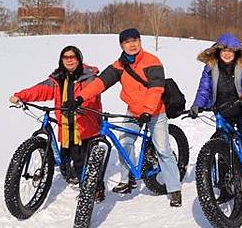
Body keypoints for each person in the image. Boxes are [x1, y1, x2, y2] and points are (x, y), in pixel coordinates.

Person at [67, 28, 182, 207]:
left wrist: (147, 111)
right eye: (127, 42)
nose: (132, 44)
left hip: (155, 111)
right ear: (122, 45)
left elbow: (156, 89)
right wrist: (80, 98)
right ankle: (127, 179)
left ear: (140, 41)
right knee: (124, 143)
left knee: (163, 149)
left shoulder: (152, 61)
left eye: (135, 40)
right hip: (133, 111)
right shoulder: (119, 65)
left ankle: (174, 189)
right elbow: (100, 82)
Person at [9, 46, 104, 201]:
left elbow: (92, 95)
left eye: (73, 57)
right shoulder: (58, 78)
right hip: (67, 125)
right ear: (61, 60)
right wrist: (21, 96)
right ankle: (73, 174)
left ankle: (93, 190)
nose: (69, 60)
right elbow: (40, 89)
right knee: (69, 152)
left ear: (79, 58)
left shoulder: (89, 77)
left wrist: (81, 105)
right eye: (66, 57)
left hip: (85, 125)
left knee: (84, 161)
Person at [189, 33, 242, 191]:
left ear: (236, 53)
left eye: (231, 50)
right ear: (217, 52)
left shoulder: (241, 68)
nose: (227, 53)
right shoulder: (210, 69)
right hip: (221, 112)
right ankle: (224, 183)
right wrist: (197, 105)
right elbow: (204, 90)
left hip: (241, 110)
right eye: (224, 50)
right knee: (222, 144)